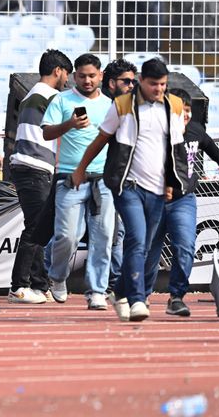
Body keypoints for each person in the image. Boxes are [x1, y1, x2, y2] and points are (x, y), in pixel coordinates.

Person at [72, 58, 189, 322]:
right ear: (141, 82)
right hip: (128, 186)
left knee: (146, 246)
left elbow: (176, 152)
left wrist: (173, 183)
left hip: (159, 189)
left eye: (162, 84)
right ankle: (137, 300)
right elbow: (101, 140)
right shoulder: (122, 105)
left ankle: (120, 291)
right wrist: (81, 168)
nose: (158, 89)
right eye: (153, 84)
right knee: (136, 239)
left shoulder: (175, 106)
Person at [143, 88, 219, 317]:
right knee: (147, 249)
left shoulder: (196, 130)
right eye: (179, 111)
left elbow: (211, 147)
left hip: (183, 200)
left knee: (185, 246)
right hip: (154, 200)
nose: (184, 115)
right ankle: (141, 294)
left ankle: (176, 297)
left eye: (187, 110)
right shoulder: (155, 133)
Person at [41, 53, 115, 310]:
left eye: (92, 76)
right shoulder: (61, 100)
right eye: (82, 76)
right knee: (67, 236)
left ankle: (97, 290)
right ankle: (58, 277)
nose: (87, 80)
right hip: (69, 177)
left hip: (103, 180)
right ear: (74, 76)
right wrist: (70, 124)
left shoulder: (110, 105)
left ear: (101, 76)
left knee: (103, 236)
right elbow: (47, 131)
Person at [7, 49, 72, 304]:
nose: (67, 80)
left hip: (30, 167)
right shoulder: (52, 97)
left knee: (40, 227)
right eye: (66, 73)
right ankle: (18, 286)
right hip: (34, 167)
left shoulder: (32, 96)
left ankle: (39, 284)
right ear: (58, 71)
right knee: (35, 228)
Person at [101, 58, 138, 293]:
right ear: (112, 83)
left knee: (117, 233)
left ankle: (113, 284)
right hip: (99, 178)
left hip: (122, 180)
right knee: (68, 235)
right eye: (127, 81)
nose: (132, 85)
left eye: (135, 81)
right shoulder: (104, 106)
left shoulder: (131, 108)